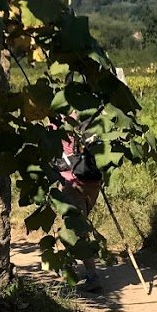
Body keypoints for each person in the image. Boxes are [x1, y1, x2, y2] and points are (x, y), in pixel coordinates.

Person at [56, 125, 104, 293]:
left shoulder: (57, 125)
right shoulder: (90, 121)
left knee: (76, 231)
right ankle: (73, 269)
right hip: (93, 184)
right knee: (78, 227)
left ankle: (91, 275)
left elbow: (52, 156)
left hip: (72, 184)